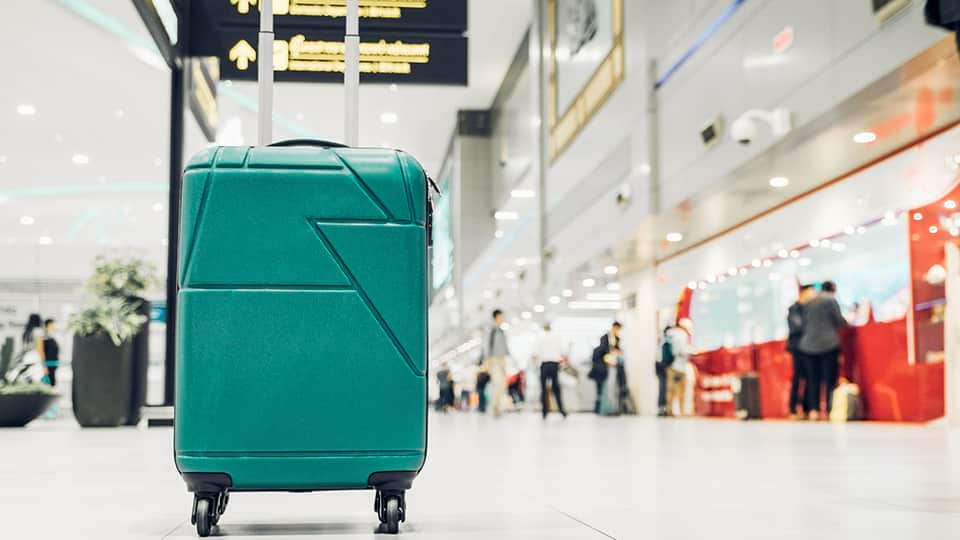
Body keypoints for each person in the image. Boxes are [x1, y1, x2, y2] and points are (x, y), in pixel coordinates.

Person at [798, 281, 848, 420]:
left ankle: (814, 411)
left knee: (812, 379)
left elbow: (803, 324)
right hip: (828, 344)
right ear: (833, 289)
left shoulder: (809, 302)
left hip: (808, 345)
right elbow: (839, 321)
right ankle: (830, 409)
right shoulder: (831, 300)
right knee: (830, 378)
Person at [787, 285, 816, 420]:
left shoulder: (809, 308)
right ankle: (793, 409)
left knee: (810, 377)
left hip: (809, 348)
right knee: (798, 378)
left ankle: (806, 409)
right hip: (798, 348)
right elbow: (797, 327)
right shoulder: (794, 309)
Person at [533, 322, 568, 419]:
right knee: (556, 388)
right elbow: (563, 352)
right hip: (554, 364)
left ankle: (544, 412)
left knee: (543, 389)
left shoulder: (540, 337)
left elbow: (535, 353)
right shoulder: (557, 337)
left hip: (544, 365)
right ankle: (562, 410)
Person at [589, 321, 622, 414]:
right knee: (603, 389)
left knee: (612, 388)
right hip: (604, 367)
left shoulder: (617, 339)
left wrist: (617, 353)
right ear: (614, 328)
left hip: (613, 366)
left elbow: (617, 350)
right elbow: (603, 351)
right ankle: (602, 409)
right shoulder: (604, 338)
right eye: (617, 329)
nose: (617, 332)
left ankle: (612, 408)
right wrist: (608, 359)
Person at [665, 318, 693, 417]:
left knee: (671, 390)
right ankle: (681, 411)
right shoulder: (682, 335)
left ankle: (669, 410)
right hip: (679, 366)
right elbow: (681, 350)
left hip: (671, 366)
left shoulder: (669, 333)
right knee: (681, 390)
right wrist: (692, 352)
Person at [485, 309, 510, 418]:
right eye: (501, 316)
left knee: (503, 384)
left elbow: (505, 348)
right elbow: (487, 346)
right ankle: (494, 407)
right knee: (498, 383)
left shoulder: (501, 331)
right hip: (494, 360)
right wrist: (487, 361)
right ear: (497, 317)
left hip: (502, 360)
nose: (503, 318)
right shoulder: (492, 330)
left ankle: (497, 406)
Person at [656, 326, 674, 417]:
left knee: (665, 389)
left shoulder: (668, 343)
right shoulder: (664, 344)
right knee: (663, 388)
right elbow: (663, 358)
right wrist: (665, 366)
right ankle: (661, 408)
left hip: (664, 367)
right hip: (662, 368)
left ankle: (665, 408)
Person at [40, 319, 60, 387]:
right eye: (52, 325)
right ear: (47, 325)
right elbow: (42, 351)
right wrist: (44, 364)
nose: (54, 327)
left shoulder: (51, 336)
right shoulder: (44, 337)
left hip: (52, 362)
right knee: (49, 381)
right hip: (48, 362)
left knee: (51, 380)